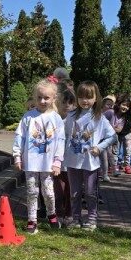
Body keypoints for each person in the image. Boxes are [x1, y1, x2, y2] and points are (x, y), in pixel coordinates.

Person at [12, 80, 65, 232]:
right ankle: (32, 220)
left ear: (53, 98)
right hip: (30, 164)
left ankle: (52, 215)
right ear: (35, 97)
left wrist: (57, 161)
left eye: (46, 98)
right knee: (32, 192)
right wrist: (17, 156)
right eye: (39, 97)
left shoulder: (56, 118)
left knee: (48, 192)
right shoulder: (28, 117)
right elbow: (20, 137)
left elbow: (60, 141)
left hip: (48, 164)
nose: (42, 101)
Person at [64, 81, 116, 231]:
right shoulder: (71, 116)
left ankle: (92, 219)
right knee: (74, 192)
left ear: (95, 98)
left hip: (90, 162)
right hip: (73, 160)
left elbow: (112, 136)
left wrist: (99, 147)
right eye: (81, 97)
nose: (84, 100)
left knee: (90, 191)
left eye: (89, 97)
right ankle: (76, 218)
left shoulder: (99, 118)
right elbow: (63, 134)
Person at [53, 83, 76, 222]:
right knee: (58, 189)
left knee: (69, 189)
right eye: (64, 102)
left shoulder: (75, 120)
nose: (67, 105)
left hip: (71, 161)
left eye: (70, 102)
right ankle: (58, 213)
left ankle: (69, 213)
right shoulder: (55, 119)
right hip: (57, 162)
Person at [114, 94, 131, 173]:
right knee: (116, 151)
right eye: (123, 105)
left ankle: (127, 165)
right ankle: (115, 166)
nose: (125, 107)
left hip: (127, 134)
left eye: (127, 106)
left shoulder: (130, 113)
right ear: (119, 104)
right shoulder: (114, 112)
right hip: (117, 134)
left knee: (127, 151)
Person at [99, 94, 118, 182]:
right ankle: (107, 172)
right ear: (103, 105)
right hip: (100, 137)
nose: (110, 106)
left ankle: (106, 174)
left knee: (107, 156)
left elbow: (112, 124)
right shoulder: (99, 112)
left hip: (106, 137)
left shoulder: (110, 112)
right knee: (105, 156)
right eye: (108, 104)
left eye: (112, 105)